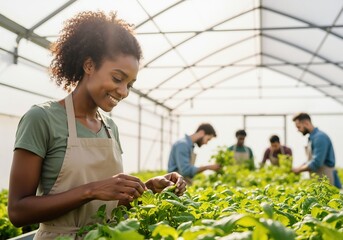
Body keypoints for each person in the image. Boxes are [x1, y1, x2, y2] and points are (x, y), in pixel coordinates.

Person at [7, 11, 186, 240]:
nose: (123, 92)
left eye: (129, 85)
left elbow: (108, 207)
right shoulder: (41, 119)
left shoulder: (110, 127)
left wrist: (148, 189)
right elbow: (18, 211)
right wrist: (91, 190)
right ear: (89, 65)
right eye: (117, 79)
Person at [292, 112, 341, 188]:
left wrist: (299, 170)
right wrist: (299, 167)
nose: (298, 130)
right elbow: (311, 160)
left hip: (325, 178)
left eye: (298, 127)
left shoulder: (319, 138)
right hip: (318, 179)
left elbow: (317, 162)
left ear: (306, 123)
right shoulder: (312, 138)